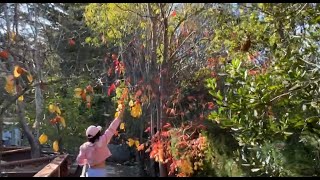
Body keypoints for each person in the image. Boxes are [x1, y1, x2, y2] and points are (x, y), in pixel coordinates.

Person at [76, 110, 124, 177]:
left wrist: (87, 161)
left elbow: (79, 161)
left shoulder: (84, 147)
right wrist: (118, 117)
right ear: (98, 134)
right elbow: (111, 129)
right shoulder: (103, 140)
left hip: (91, 172)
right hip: (101, 172)